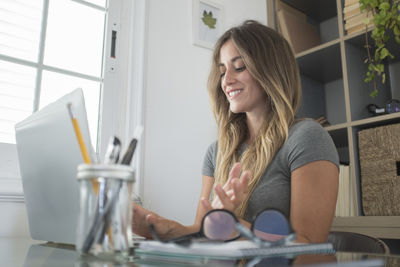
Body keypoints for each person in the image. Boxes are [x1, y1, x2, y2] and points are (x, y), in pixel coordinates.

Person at [132, 20, 339, 243]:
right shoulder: (216, 151)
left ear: (271, 71)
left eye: (239, 67)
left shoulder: (307, 138)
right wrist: (165, 229)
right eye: (222, 71)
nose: (227, 81)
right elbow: (204, 232)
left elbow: (309, 243)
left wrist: (233, 226)